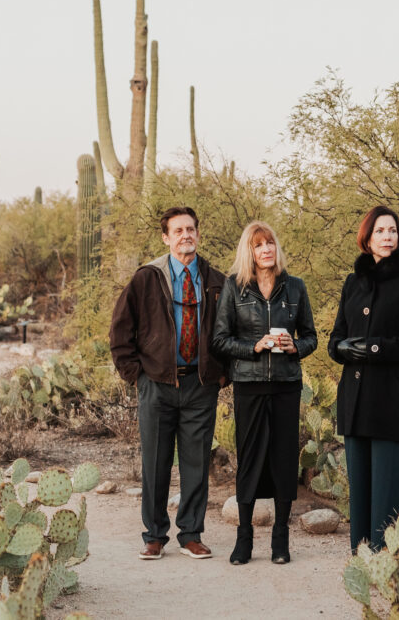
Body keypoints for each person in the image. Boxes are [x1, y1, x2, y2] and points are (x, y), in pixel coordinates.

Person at [110, 206, 227, 561]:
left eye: (190, 229)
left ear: (198, 234)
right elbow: (120, 331)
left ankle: (191, 534)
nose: (185, 236)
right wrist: (138, 377)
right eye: (178, 231)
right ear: (166, 237)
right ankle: (154, 535)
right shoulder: (147, 278)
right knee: (156, 463)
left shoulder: (216, 280)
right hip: (157, 384)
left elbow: (231, 332)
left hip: (199, 386)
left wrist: (221, 375)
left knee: (196, 464)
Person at [328, 206, 399, 552]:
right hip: (357, 404)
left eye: (392, 230)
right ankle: (363, 556)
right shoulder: (353, 282)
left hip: (395, 404)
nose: (387, 237)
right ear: (367, 238)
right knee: (362, 489)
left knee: (391, 489)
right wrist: (344, 348)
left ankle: (390, 558)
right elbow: (335, 339)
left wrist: (375, 347)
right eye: (380, 231)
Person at [212, 221, 317, 564]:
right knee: (250, 459)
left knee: (285, 460)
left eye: (270, 243)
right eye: (259, 245)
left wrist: (294, 346)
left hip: (287, 385)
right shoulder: (235, 288)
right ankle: (244, 539)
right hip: (249, 385)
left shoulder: (295, 287)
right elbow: (220, 339)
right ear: (250, 251)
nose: (266, 250)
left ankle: (280, 540)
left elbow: (311, 337)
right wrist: (253, 346)